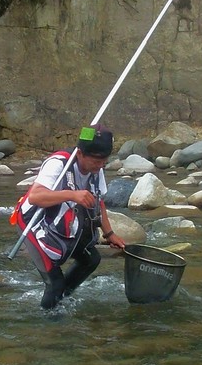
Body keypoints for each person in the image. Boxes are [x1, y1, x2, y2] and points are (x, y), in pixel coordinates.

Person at [11, 123, 126, 309]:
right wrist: (73, 194)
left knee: (91, 259)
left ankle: (62, 298)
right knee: (54, 282)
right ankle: (50, 324)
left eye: (104, 161)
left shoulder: (97, 169)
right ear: (80, 154)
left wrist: (109, 233)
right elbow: (35, 197)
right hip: (32, 221)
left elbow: (99, 201)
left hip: (62, 217)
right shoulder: (58, 163)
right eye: (97, 161)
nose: (101, 165)